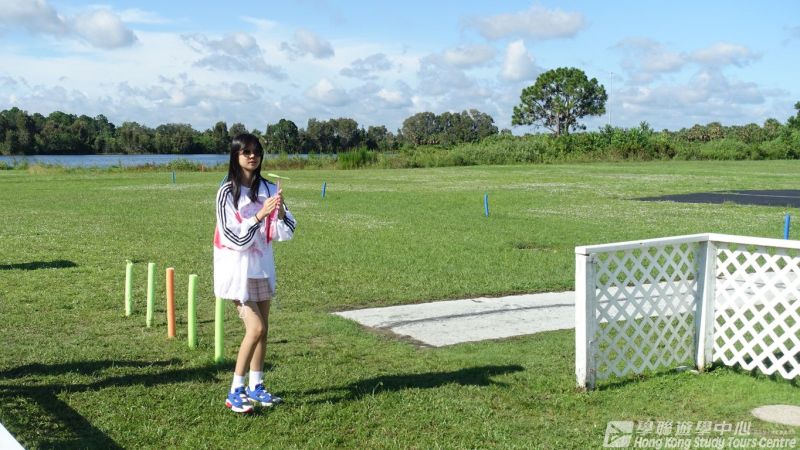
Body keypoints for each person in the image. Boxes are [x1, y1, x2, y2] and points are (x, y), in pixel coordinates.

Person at [213, 133, 296, 413]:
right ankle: (235, 390)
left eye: (256, 151)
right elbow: (231, 236)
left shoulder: (269, 189)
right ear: (235, 156)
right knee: (255, 328)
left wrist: (280, 212)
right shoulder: (227, 192)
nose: (252, 156)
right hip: (236, 271)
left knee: (264, 331)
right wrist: (260, 215)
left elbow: (285, 231)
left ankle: (256, 386)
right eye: (246, 152)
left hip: (261, 269)